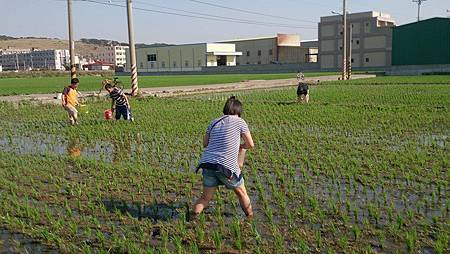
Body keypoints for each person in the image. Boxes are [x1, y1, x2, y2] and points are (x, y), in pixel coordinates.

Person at [193, 96, 255, 218]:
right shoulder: (240, 122)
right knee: (242, 193)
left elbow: (205, 144)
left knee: (205, 198)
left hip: (207, 164)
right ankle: (251, 218)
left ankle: (192, 218)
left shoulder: (214, 122)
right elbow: (250, 144)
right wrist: (240, 146)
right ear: (239, 111)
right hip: (226, 167)